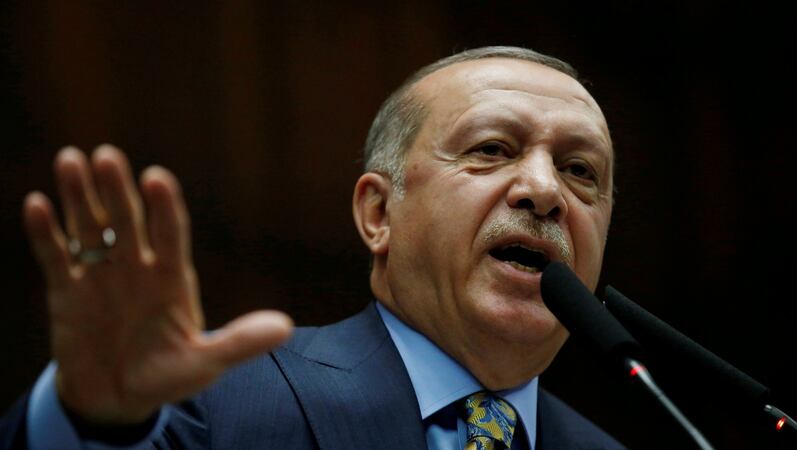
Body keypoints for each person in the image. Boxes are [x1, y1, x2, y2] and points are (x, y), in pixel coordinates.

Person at [1, 46, 624, 449]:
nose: (545, 192)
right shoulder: (215, 400)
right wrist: (93, 425)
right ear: (379, 213)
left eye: (580, 170)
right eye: (492, 149)